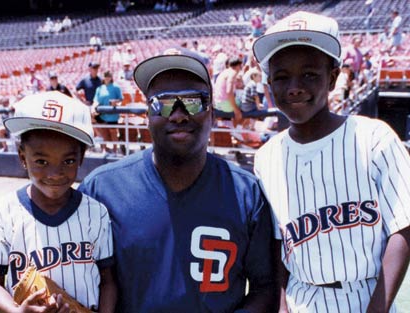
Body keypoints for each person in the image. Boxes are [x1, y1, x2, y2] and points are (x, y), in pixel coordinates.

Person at [252, 11, 410, 312]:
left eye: (310, 74)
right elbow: (278, 244)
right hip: (303, 297)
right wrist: (282, 305)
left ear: (334, 77)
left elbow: (402, 231)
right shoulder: (266, 157)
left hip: (367, 294)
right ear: (269, 83)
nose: (294, 87)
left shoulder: (374, 137)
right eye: (281, 77)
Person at [79, 54, 278, 313]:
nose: (179, 115)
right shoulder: (101, 190)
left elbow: (265, 287)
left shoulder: (247, 192)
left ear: (213, 113)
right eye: (164, 103)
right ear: (147, 114)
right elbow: (79, 281)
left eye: (193, 102)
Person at [0, 91, 116, 313]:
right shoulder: (1, 213)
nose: (55, 173)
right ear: (23, 157)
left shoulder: (95, 212)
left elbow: (108, 280)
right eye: (41, 161)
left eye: (68, 160)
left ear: (81, 157)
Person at [92, 70, 123, 154]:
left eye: (109, 76)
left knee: (113, 132)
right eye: (105, 76)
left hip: (112, 115)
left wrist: (115, 102)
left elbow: (120, 99)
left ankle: (115, 150)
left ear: (111, 77)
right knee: (103, 132)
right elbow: (95, 100)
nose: (107, 78)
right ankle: (104, 149)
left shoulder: (116, 87)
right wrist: (94, 106)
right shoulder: (99, 88)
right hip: (102, 114)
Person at [214, 56, 244, 125]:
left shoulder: (223, 72)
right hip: (225, 104)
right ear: (238, 66)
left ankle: (233, 129)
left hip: (218, 104)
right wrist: (236, 110)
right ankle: (237, 130)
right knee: (248, 105)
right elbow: (229, 92)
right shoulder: (232, 73)